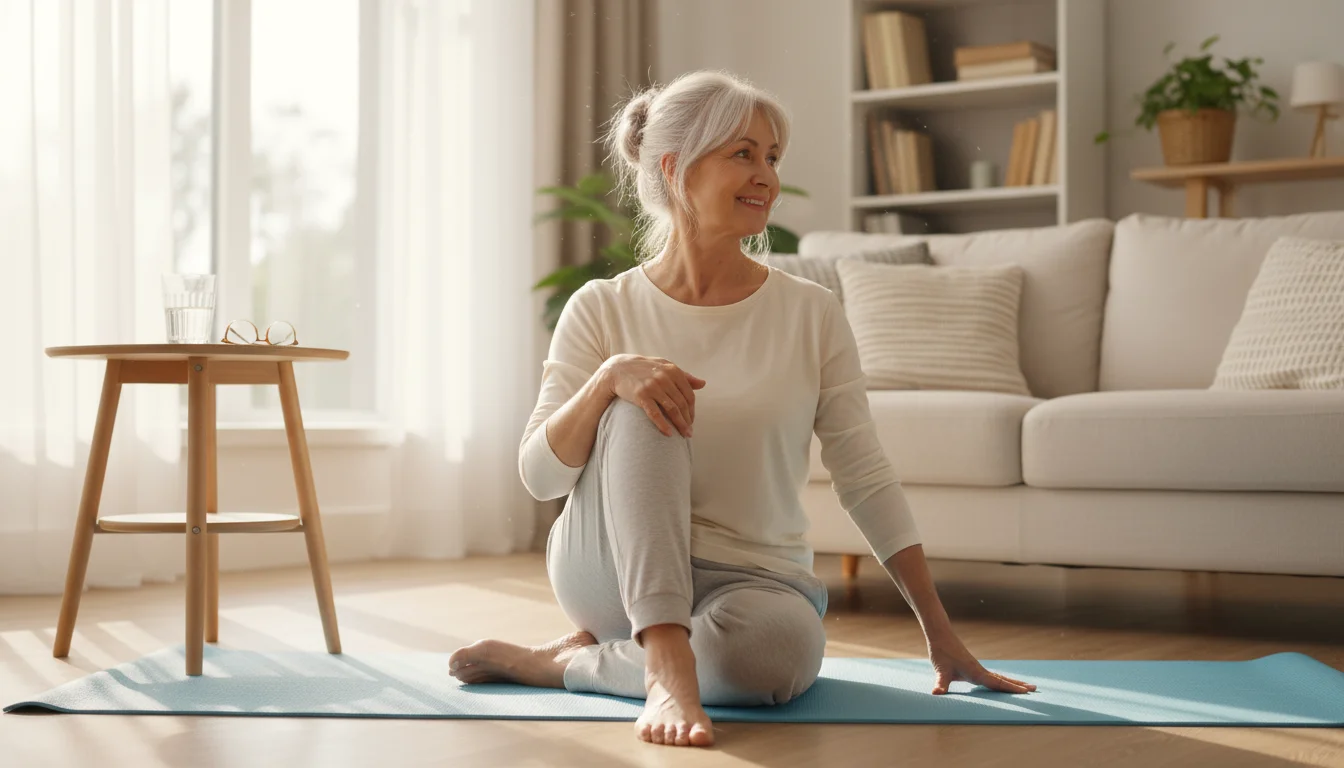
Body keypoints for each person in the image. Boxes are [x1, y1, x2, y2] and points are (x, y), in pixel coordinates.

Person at [448, 69, 1036, 748]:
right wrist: (610, 378)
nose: (766, 176)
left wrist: (940, 633)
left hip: (753, 580)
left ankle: (564, 663)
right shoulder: (602, 307)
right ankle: (665, 666)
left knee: (772, 662)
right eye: (743, 154)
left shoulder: (811, 313)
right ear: (674, 169)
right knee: (646, 394)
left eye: (772, 157)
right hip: (609, 569)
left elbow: (865, 474)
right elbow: (541, 477)